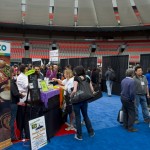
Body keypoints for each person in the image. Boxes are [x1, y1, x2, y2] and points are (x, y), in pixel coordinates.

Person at [71, 66, 95, 140]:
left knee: (78, 117)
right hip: (85, 99)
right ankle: (91, 132)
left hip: (77, 100)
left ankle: (79, 135)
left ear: (77, 72)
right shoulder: (87, 77)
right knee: (85, 116)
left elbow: (75, 90)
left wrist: (70, 95)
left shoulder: (76, 78)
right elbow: (92, 89)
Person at [10, 68, 25, 141]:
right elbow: (15, 93)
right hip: (12, 104)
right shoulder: (11, 82)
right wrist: (21, 95)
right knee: (12, 121)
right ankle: (12, 136)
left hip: (10, 103)